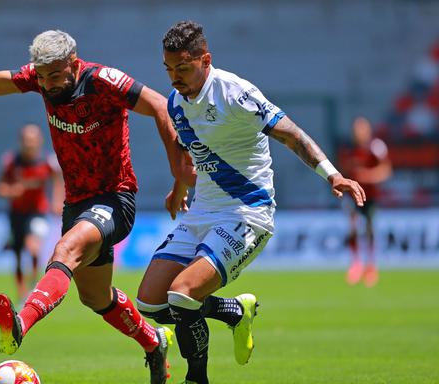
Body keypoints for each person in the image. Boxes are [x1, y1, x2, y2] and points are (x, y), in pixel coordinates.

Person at [0, 26, 193, 384]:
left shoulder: (104, 81)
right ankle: (154, 342)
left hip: (114, 198)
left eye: (55, 76)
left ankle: (20, 323)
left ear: (73, 64)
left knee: (66, 249)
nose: (47, 84)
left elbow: (159, 105)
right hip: (77, 203)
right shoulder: (40, 78)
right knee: (95, 297)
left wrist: (177, 173)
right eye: (41, 76)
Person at [135, 21, 366, 384]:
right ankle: (234, 312)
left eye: (182, 68)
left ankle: (196, 378)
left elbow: (292, 135)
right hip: (202, 211)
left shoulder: (235, 93)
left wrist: (332, 175)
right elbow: (191, 149)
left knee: (181, 295)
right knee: (150, 302)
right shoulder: (177, 103)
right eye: (168, 69)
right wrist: (178, 189)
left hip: (247, 213)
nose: (174, 77)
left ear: (205, 60)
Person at [0, 123, 64, 302]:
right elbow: (0, 188)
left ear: (39, 141)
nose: (30, 144)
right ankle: (21, 292)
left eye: (33, 140)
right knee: (18, 254)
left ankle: (34, 283)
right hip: (17, 213)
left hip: (38, 212)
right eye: (26, 140)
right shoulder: (12, 162)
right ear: (21, 141)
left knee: (33, 247)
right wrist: (12, 191)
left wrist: (57, 200)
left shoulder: (47, 162)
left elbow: (58, 179)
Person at [340, 116, 392, 287]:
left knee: (369, 228)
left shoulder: (376, 147)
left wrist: (367, 177)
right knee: (353, 227)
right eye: (356, 130)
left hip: (370, 195)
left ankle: (371, 266)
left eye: (361, 129)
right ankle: (356, 264)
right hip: (352, 195)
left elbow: (386, 170)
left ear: (368, 130)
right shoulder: (349, 149)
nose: (358, 133)